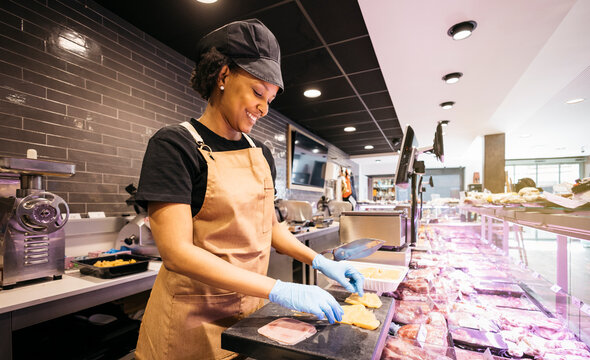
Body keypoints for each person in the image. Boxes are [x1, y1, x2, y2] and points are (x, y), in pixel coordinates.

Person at [133, 19, 364, 360]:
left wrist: (318, 260)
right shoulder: (175, 144)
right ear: (223, 77)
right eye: (258, 92)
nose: (263, 108)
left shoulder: (260, 152)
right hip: (189, 322)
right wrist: (280, 289)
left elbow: (270, 228)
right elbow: (176, 252)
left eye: (270, 99)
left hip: (250, 318)